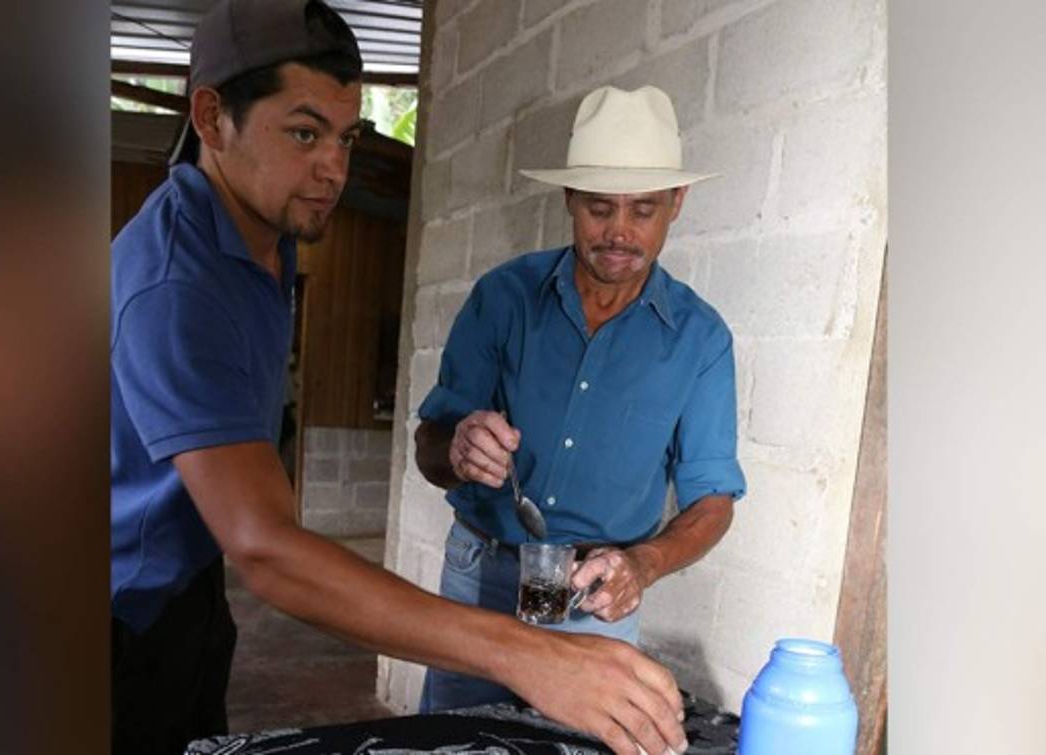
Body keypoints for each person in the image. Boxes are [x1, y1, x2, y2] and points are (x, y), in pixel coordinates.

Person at [109, 3, 688, 755]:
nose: (335, 169)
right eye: (303, 132)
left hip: (185, 582)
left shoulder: (268, 236)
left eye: (345, 138)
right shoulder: (175, 284)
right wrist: (527, 651)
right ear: (213, 116)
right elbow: (267, 546)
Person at [413, 85, 748, 712]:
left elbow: (713, 501)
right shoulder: (502, 298)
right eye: (599, 208)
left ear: (678, 202)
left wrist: (641, 567)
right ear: (569, 198)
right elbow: (428, 448)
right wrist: (455, 447)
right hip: (479, 577)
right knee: (447, 747)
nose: (618, 233)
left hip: (597, 599)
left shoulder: (701, 341)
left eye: (643, 211)